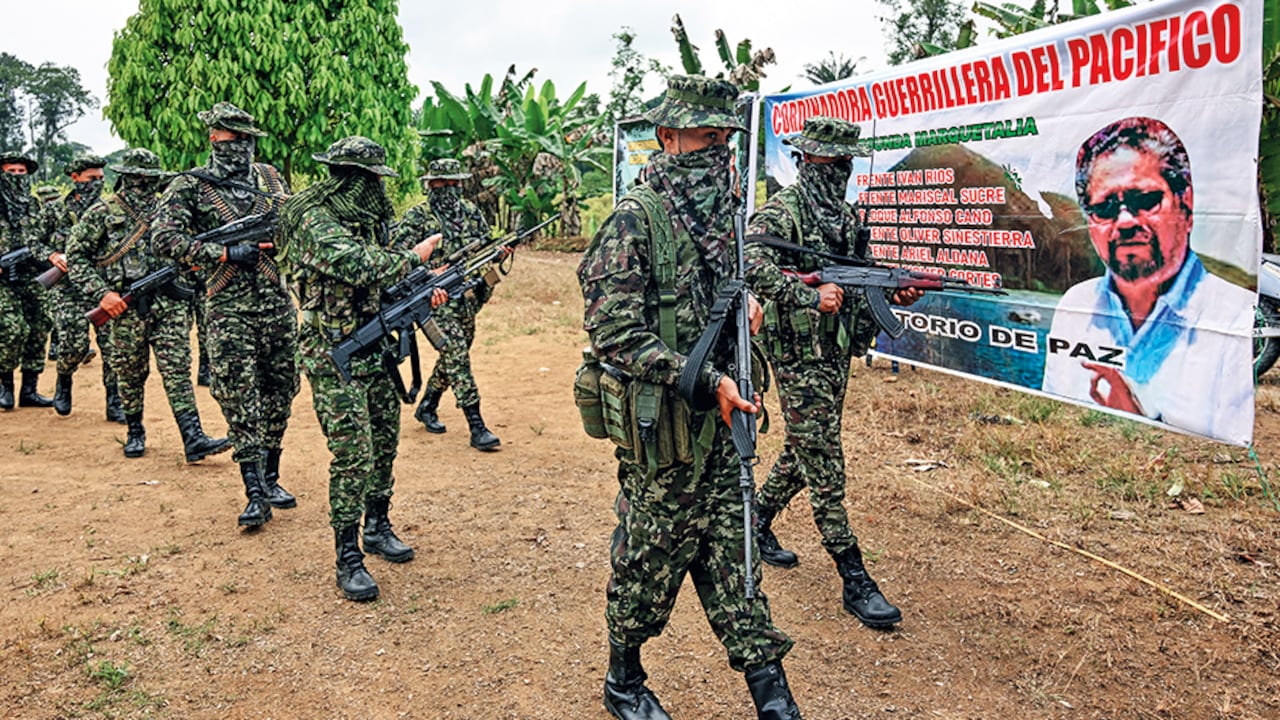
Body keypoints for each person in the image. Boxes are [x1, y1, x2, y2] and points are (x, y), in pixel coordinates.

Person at [577, 75, 802, 720]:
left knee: (737, 559)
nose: (718, 153)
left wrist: (749, 307)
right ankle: (623, 681)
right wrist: (704, 380)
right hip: (666, 438)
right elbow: (613, 332)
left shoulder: (725, 222)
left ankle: (772, 695)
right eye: (706, 138)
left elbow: (728, 296)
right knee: (648, 562)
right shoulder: (635, 220)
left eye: (725, 139)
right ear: (668, 138)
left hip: (725, 430)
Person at [744, 116, 919, 631]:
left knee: (805, 447)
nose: (839, 169)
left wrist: (894, 292)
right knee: (823, 457)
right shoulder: (780, 212)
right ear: (806, 160)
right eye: (830, 160)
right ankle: (853, 574)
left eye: (845, 162)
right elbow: (749, 264)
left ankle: (757, 519)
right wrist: (807, 296)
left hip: (834, 349)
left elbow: (861, 279)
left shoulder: (846, 217)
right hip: (796, 350)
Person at [278, 136, 443, 601]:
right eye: (373, 179)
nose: (378, 188)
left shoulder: (366, 219)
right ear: (355, 179)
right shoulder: (313, 218)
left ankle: (377, 526)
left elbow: (382, 281)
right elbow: (355, 264)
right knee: (353, 454)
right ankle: (348, 556)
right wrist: (414, 257)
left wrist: (421, 288)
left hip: (374, 347)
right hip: (333, 352)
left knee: (384, 443)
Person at [1043, 116, 1254, 443]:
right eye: (1105, 207)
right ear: (1089, 222)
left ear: (1185, 203)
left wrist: (1137, 421)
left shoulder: (1232, 314)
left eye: (1144, 200)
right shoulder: (1075, 307)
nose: (1125, 221)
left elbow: (1228, 451)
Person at [152, 102, 299, 528]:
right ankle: (254, 491)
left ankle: (271, 476)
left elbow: (293, 224)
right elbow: (164, 238)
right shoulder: (190, 186)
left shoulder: (271, 179)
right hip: (226, 308)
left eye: (247, 139)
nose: (241, 147)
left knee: (281, 389)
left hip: (276, 303)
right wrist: (224, 252)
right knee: (238, 394)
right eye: (233, 138)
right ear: (213, 138)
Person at [65, 148, 229, 462]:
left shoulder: (171, 210)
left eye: (149, 177)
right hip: (125, 307)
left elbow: (190, 247)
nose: (143, 183)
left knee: (177, 370)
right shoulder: (103, 211)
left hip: (170, 304)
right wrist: (102, 294)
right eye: (137, 177)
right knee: (130, 372)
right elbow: (76, 257)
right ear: (125, 176)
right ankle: (135, 431)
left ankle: (193, 437)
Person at [390, 157, 501, 451]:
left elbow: (485, 246)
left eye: (454, 183)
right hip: (434, 300)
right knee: (455, 353)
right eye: (442, 183)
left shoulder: (470, 212)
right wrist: (428, 274)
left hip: (466, 297)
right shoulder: (418, 217)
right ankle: (477, 426)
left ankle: (428, 404)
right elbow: (396, 259)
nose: (449, 188)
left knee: (454, 354)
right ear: (431, 184)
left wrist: (499, 253)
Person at [40, 154, 125, 420]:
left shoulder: (111, 209)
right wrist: (52, 255)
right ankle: (64, 380)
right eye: (91, 178)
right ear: (75, 178)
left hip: (103, 286)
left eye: (101, 178)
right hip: (67, 288)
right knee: (73, 344)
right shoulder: (55, 211)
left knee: (113, 347)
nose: (97, 183)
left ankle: (114, 402)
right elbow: (33, 241)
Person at [0, 150, 55, 410]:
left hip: (31, 273)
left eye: (21, 172)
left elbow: (41, 237)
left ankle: (29, 390)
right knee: (12, 329)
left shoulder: (32, 204)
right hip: (3, 279)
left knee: (40, 325)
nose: (17, 176)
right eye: (11, 171)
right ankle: (5, 386)